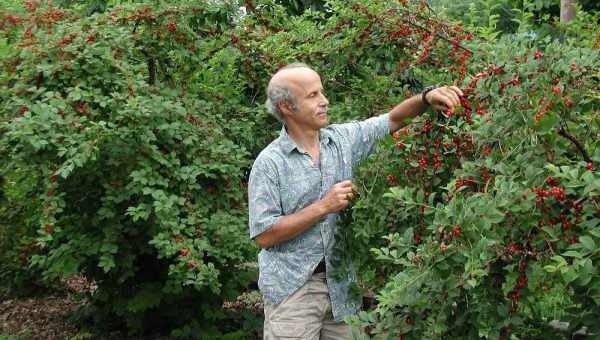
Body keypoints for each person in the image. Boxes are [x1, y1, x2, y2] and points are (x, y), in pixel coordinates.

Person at [248, 63, 462, 339]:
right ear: (287, 107)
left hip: (341, 288)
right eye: (312, 96)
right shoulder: (270, 163)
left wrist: (425, 98)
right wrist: (323, 207)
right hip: (292, 292)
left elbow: (393, 120)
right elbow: (264, 235)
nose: (324, 101)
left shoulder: (341, 140)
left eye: (321, 92)